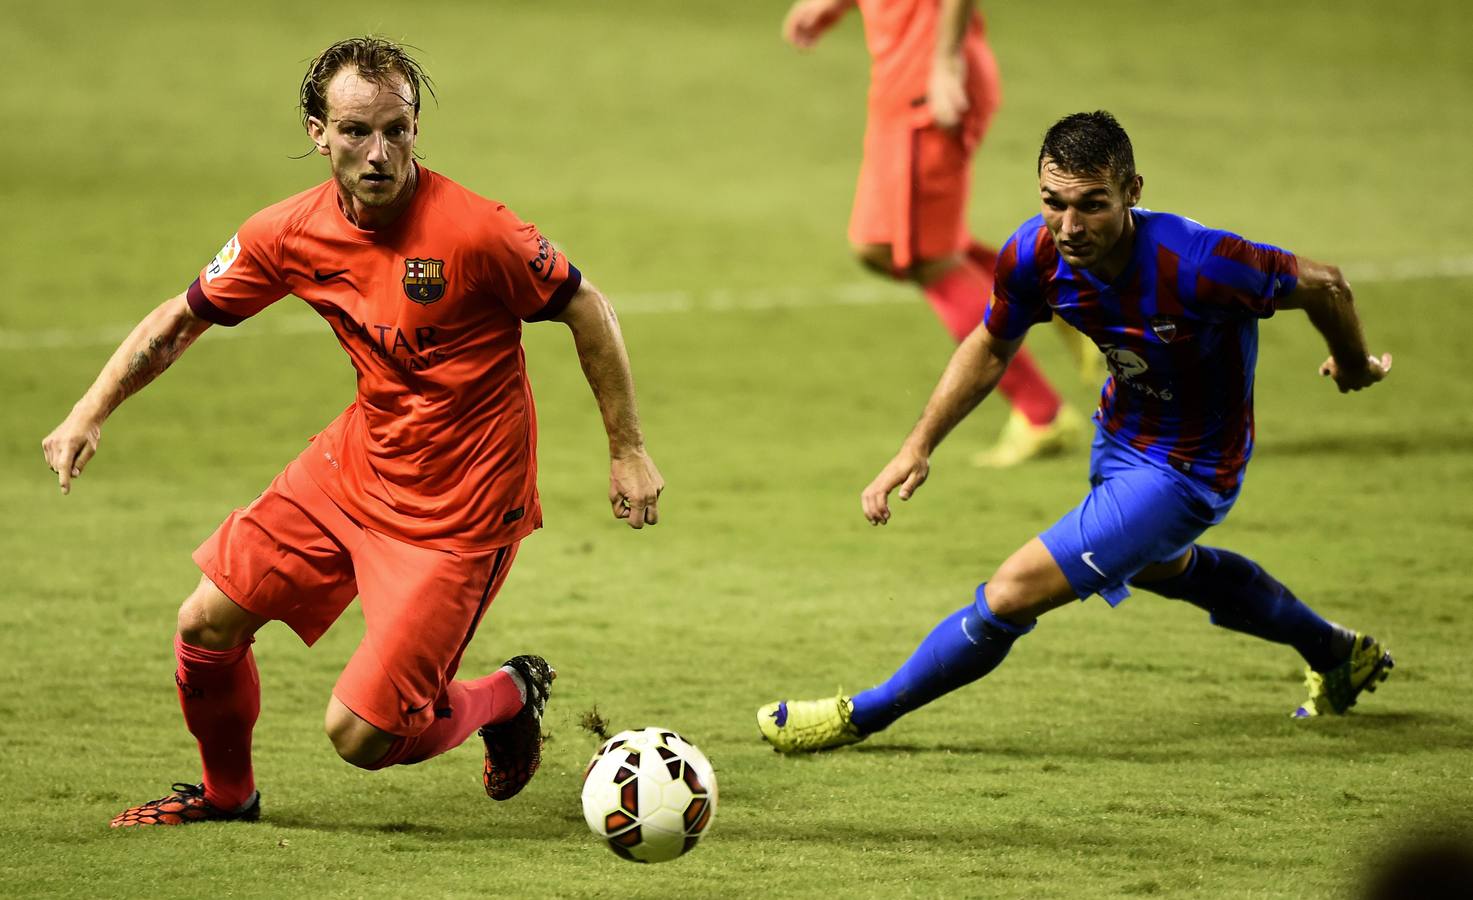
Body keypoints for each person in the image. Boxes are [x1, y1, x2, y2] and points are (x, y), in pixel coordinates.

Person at [41, 37, 664, 825]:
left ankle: (507, 696)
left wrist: (627, 447)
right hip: (357, 465)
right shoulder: (286, 232)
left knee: (363, 735)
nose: (379, 153)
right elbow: (183, 316)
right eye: (355, 131)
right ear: (316, 131)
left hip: (463, 511)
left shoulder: (476, 232)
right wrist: (89, 410)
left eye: (396, 130)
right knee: (204, 621)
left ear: (414, 131)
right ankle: (228, 797)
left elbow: (587, 307)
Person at [758, 111, 1394, 752]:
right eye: (1053, 203)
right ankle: (1336, 651)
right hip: (1118, 440)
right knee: (1161, 568)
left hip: (1190, 467)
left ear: (1132, 193)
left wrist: (1353, 361)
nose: (1069, 226)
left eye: (1092, 205)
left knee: (1009, 596)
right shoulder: (1034, 253)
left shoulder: (1201, 261)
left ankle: (860, 716)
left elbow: (1325, 283)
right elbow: (991, 346)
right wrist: (918, 444)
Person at [782, 0, 1085, 467]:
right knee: (882, 245)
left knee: (927, 257)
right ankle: (1059, 292)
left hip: (927, 82)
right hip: (904, 75)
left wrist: (945, 62)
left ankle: (1040, 414)